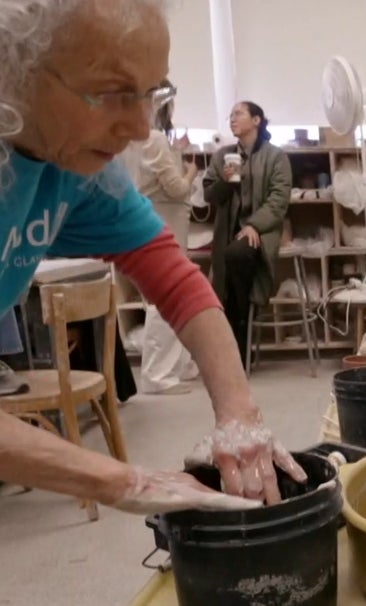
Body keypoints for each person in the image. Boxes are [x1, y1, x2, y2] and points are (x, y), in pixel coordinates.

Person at [0, 0, 304, 514]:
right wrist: (125, 481)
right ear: (14, 68)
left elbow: (175, 280)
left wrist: (239, 413)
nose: (142, 128)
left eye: (151, 92)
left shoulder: (72, 167)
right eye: (113, 93)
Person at [119, 78, 199, 394]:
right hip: (165, 221)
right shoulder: (153, 139)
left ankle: (176, 366)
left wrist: (174, 153)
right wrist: (191, 169)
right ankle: (158, 374)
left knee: (164, 294)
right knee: (166, 296)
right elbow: (177, 187)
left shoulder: (132, 140)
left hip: (150, 217)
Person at [202, 101, 291, 364]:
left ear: (257, 120)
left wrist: (254, 225)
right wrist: (226, 182)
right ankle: (237, 343)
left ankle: (238, 337)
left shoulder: (276, 157)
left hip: (261, 232)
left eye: (238, 114)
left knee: (236, 256)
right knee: (230, 259)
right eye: (230, 115)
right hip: (228, 232)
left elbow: (279, 199)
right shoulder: (222, 156)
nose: (232, 119)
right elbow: (209, 195)